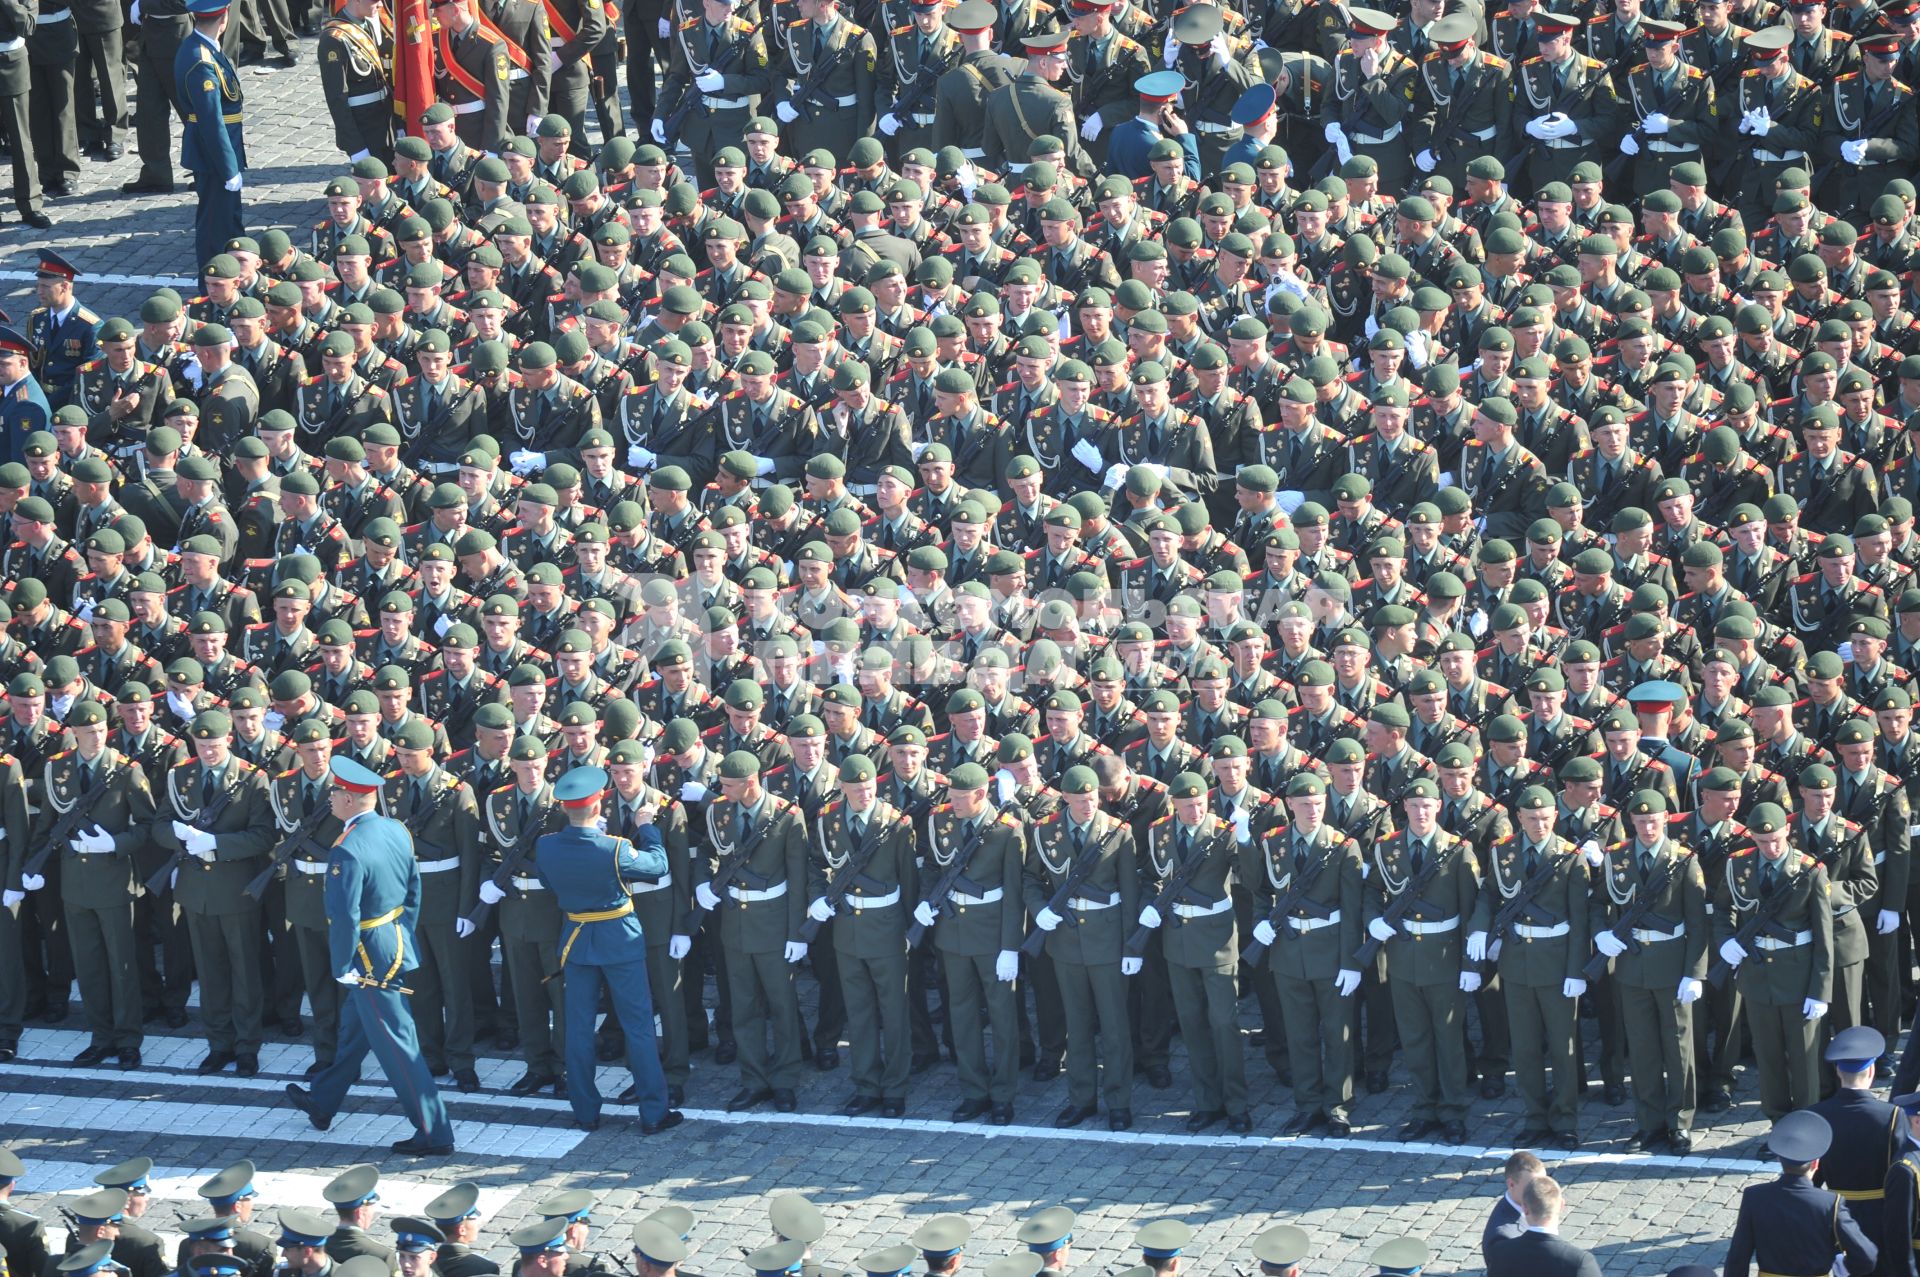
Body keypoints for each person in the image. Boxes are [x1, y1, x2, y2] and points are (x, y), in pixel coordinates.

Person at [281, 754, 456, 1156]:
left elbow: (345, 915)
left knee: (398, 1047)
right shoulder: (395, 830)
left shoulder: (346, 849)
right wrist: (402, 936)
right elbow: (413, 890)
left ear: (349, 800)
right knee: (355, 1030)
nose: (331, 797)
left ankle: (434, 1131)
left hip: (367, 955)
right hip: (392, 940)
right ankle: (323, 1100)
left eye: (336, 792)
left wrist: (343, 964)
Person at [533, 764, 685, 1134]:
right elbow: (658, 866)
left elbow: (548, 882)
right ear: (599, 806)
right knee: (638, 1026)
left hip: (577, 940)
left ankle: (585, 1111)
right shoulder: (615, 848)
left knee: (579, 1028)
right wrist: (646, 826)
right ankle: (653, 1112)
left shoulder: (546, 845)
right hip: (619, 938)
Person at [1725, 1109, 1878, 1277]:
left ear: (1779, 1159)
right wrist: (1845, 1266)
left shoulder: (1754, 1197)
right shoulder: (1830, 1203)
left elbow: (1737, 1258)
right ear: (1816, 1164)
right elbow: (1866, 1257)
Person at [1810, 1026, 1902, 1243]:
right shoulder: (1892, 1115)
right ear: (1871, 1072)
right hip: (1881, 1218)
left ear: (1838, 1072)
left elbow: (1812, 1176)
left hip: (1834, 1217)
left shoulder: (1817, 1115)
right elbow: (1902, 1172)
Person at [176, 0, 247, 268]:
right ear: (224, 17)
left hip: (219, 151)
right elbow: (211, 122)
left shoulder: (202, 49)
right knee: (217, 225)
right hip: (215, 156)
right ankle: (214, 282)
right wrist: (229, 168)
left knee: (227, 219)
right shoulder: (202, 61)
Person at [1483, 1151, 1541, 1266]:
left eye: (1541, 1183)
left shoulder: (1530, 1203)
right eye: (1531, 1186)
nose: (1539, 1191)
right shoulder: (1504, 1237)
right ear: (1511, 1185)